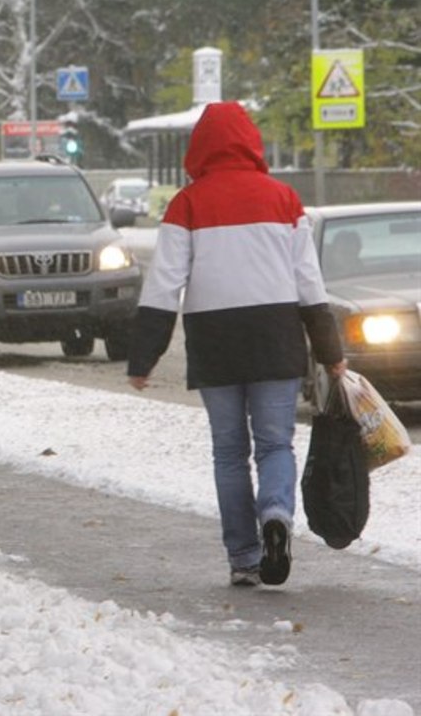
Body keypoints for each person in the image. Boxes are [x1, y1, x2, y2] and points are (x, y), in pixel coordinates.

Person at [126, 102, 346, 588]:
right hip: (275, 335)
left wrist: (144, 358)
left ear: (198, 147)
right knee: (275, 443)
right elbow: (309, 284)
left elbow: (164, 286)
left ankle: (245, 557)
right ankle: (276, 515)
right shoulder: (284, 199)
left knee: (228, 452)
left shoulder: (187, 204)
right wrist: (330, 353)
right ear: (252, 143)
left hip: (214, 338)